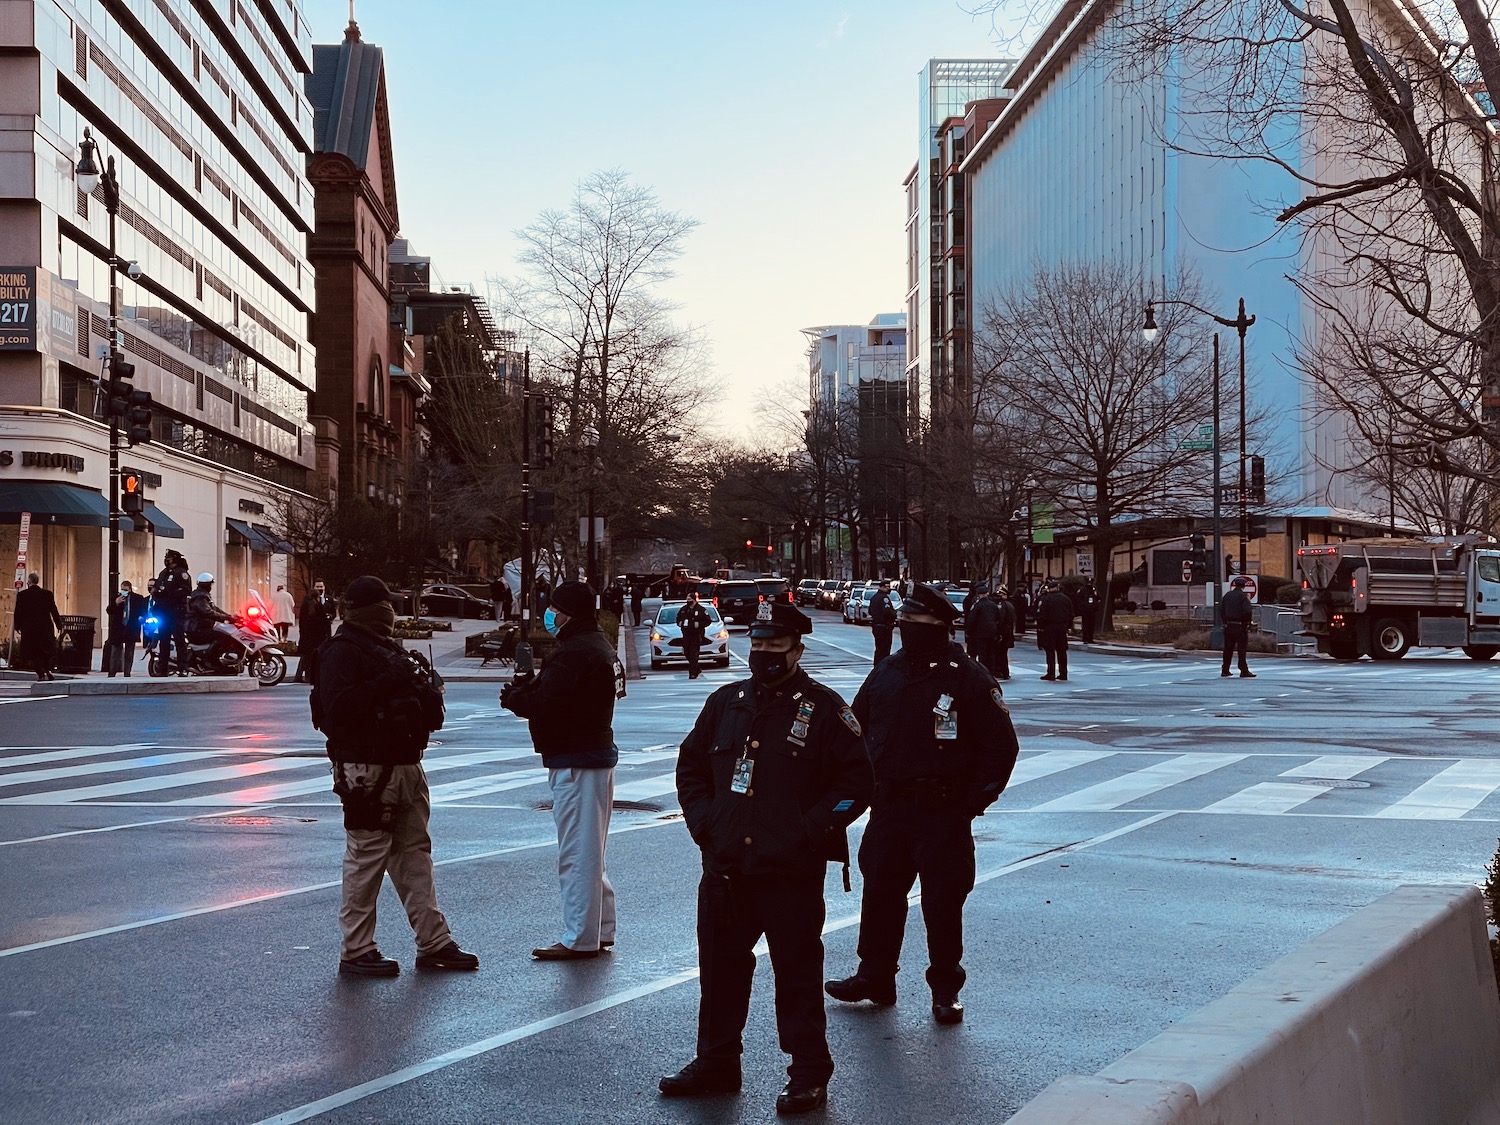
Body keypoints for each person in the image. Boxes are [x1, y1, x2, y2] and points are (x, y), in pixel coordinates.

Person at [662, 600, 873, 1115]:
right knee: (719, 969)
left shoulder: (823, 709)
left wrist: (810, 830)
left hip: (789, 870)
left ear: (798, 649)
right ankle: (716, 1061)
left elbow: (856, 783)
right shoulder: (726, 702)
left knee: (796, 973)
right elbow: (691, 768)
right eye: (757, 645)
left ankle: (807, 1073)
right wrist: (705, 826)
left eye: (775, 646)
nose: (763, 655)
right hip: (727, 866)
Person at [825, 583, 1019, 1027]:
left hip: (942, 810)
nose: (905, 631)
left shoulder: (967, 677)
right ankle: (875, 976)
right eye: (903, 624)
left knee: (942, 902)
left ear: (937, 628)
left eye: (914, 625)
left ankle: (945, 989)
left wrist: (973, 802)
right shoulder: (886, 673)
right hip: (889, 807)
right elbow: (856, 734)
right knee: (880, 894)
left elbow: (1000, 749)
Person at [311, 575, 478, 977]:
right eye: (380, 604)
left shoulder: (389, 649)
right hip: (366, 768)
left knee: (414, 855)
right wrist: (392, 689)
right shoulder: (341, 652)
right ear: (358, 609)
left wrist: (418, 694)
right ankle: (357, 948)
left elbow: (429, 708)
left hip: (405, 762)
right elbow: (336, 712)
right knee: (367, 857)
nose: (387, 611)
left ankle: (434, 941)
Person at [501, 581, 625, 960]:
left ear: (567, 613)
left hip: (576, 759)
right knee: (591, 851)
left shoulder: (573, 653)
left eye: (553, 608)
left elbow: (549, 702)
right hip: (593, 755)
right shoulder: (598, 645)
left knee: (577, 853)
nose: (548, 615)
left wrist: (516, 699)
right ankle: (599, 928)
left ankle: (580, 937)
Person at [13, 573, 63, 681]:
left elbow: (18, 612)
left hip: (29, 629)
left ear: (29, 582)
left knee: (34, 652)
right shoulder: (47, 594)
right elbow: (54, 611)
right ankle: (47, 669)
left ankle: (41, 672)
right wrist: (59, 624)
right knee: (46, 650)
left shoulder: (22, 595)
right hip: (45, 628)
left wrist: (17, 626)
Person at [154, 550, 193, 676]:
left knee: (179, 640)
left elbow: (186, 590)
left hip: (176, 612)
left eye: (169, 558)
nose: (166, 560)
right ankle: (162, 668)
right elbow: (157, 588)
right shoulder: (163, 573)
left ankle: (183, 668)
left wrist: (169, 594)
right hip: (163, 611)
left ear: (175, 559)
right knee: (163, 641)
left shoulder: (181, 573)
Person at [186, 573, 235, 670]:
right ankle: (210, 661)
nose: (211, 586)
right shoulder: (200, 596)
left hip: (200, 627)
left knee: (224, 634)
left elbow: (215, 609)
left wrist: (230, 616)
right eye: (210, 584)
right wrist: (226, 618)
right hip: (197, 629)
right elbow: (207, 612)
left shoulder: (203, 595)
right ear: (207, 584)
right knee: (223, 637)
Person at [103, 580, 148, 677]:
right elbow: (109, 610)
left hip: (131, 628)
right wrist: (116, 603)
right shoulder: (116, 597)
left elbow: (142, 611)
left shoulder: (138, 598)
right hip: (118, 628)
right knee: (115, 652)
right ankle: (112, 673)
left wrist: (141, 618)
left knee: (129, 652)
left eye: (125, 590)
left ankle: (127, 673)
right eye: (122, 589)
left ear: (130, 589)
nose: (124, 591)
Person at [295, 579, 334, 684]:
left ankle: (301, 676)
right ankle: (309, 675)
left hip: (309, 634)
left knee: (307, 656)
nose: (320, 589)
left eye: (321, 586)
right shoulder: (313, 604)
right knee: (312, 656)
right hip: (316, 635)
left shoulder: (324, 600)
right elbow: (321, 621)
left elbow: (303, 619)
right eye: (318, 587)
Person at [1036, 579, 1075, 681]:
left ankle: (1051, 673)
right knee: (1062, 651)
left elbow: (1042, 615)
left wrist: (1040, 626)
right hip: (1062, 627)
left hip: (1050, 627)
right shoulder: (1066, 599)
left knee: (1050, 651)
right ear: (1057, 587)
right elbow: (1071, 614)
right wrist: (1068, 626)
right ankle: (1063, 673)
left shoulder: (1047, 599)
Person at [1220, 576, 1257, 678]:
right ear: (1243, 586)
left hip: (1229, 626)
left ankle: (1225, 669)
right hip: (1240, 626)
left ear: (1235, 585)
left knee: (1228, 649)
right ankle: (1243, 670)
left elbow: (1221, 610)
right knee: (1241, 649)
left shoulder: (1227, 596)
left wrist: (1225, 622)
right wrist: (1247, 623)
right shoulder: (1243, 597)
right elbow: (1247, 611)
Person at [966, 586, 1000, 678]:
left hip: (980, 633)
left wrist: (968, 632)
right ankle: (991, 671)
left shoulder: (978, 606)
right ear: (987, 593)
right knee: (991, 652)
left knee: (982, 653)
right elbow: (998, 618)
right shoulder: (993, 605)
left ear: (979, 595)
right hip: (992, 632)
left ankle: (983, 671)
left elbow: (971, 620)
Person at [677, 591, 712, 680]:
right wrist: (680, 623)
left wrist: (699, 625)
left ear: (694, 600)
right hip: (686, 634)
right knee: (686, 652)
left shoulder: (701, 610)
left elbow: (708, 621)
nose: (688, 601)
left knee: (693, 654)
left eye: (689, 599)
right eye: (687, 599)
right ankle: (697, 668)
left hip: (696, 635)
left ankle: (692, 673)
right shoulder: (684, 609)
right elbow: (678, 618)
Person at [868, 578, 897, 666]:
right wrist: (893, 615)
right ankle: (882, 666)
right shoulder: (884, 598)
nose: (889, 589)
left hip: (876, 626)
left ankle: (877, 666)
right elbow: (887, 612)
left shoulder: (874, 597)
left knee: (879, 648)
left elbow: (870, 611)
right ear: (882, 587)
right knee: (884, 649)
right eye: (887, 587)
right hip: (884, 627)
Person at [993, 588, 1016, 681]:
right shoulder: (1010, 605)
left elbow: (1001, 620)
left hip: (1003, 632)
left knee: (999, 653)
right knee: (1003, 653)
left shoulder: (1002, 605)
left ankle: (1001, 672)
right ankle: (1005, 672)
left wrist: (999, 633)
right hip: (1008, 632)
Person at [1078, 580, 1099, 644]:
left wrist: (1096, 605)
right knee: (1085, 624)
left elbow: (1098, 597)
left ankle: (1090, 638)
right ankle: (1085, 638)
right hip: (1085, 610)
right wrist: (1082, 607)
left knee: (1091, 625)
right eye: (1088, 582)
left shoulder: (1094, 590)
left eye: (1091, 582)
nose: (1089, 584)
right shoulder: (1082, 590)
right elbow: (1078, 599)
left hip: (1092, 610)